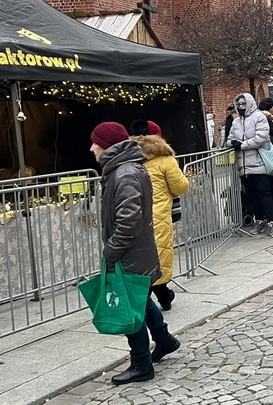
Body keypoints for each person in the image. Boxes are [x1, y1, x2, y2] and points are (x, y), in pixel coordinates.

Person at [90, 122, 180, 385]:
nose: (91, 147)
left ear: (107, 145)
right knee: (140, 299)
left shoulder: (125, 173)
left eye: (95, 142)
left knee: (130, 306)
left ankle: (141, 363)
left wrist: (112, 251)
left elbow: (128, 221)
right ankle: (164, 340)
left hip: (131, 251)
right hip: (138, 249)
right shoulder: (124, 168)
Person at [129, 121, 190, 310]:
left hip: (135, 214)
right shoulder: (165, 159)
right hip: (159, 215)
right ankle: (153, 300)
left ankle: (162, 296)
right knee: (160, 255)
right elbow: (181, 186)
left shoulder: (128, 158)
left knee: (142, 258)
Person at [226, 93, 273, 234]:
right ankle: (259, 221)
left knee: (265, 194)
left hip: (260, 163)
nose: (241, 107)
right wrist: (232, 143)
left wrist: (242, 145)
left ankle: (272, 223)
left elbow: (261, 138)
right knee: (252, 196)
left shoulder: (259, 117)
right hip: (244, 166)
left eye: (243, 104)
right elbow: (229, 138)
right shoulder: (236, 122)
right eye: (239, 105)